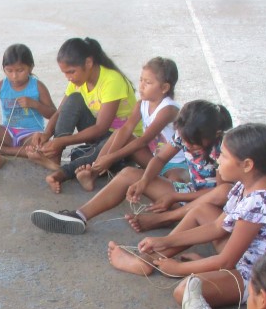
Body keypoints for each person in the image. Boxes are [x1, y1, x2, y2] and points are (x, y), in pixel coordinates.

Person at [107, 123, 266, 309]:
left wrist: (179, 269)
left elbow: (226, 261)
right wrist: (164, 241)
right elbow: (217, 227)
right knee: (201, 210)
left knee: (185, 291)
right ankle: (150, 261)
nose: (217, 159)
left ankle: (165, 265)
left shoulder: (260, 202)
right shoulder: (245, 186)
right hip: (254, 256)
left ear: (247, 165)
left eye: (224, 156)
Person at [30, 99, 230, 235]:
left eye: (192, 144)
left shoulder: (223, 151)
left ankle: (166, 220)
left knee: (194, 197)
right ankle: (79, 216)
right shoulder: (186, 135)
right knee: (129, 174)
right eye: (183, 140)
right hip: (189, 195)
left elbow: (221, 195)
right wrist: (143, 182)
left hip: (209, 208)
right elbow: (159, 159)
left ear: (212, 135)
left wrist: (176, 196)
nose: (185, 145)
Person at [28, 38, 140, 181]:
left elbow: (101, 127)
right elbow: (60, 111)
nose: (68, 77)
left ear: (88, 63)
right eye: (65, 73)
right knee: (74, 99)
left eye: (71, 72)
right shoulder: (77, 81)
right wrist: (47, 134)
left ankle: (62, 171)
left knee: (99, 153)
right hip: (101, 135)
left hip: (123, 140)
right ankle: (55, 157)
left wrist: (63, 141)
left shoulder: (112, 80)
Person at [74, 57, 182, 191]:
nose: (141, 86)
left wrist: (111, 157)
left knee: (175, 183)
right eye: (141, 80)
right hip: (152, 158)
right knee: (120, 133)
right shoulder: (141, 104)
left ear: (165, 87)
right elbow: (126, 129)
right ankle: (93, 173)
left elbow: (144, 140)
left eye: (147, 82)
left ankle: (156, 182)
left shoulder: (168, 109)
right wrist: (105, 159)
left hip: (173, 163)